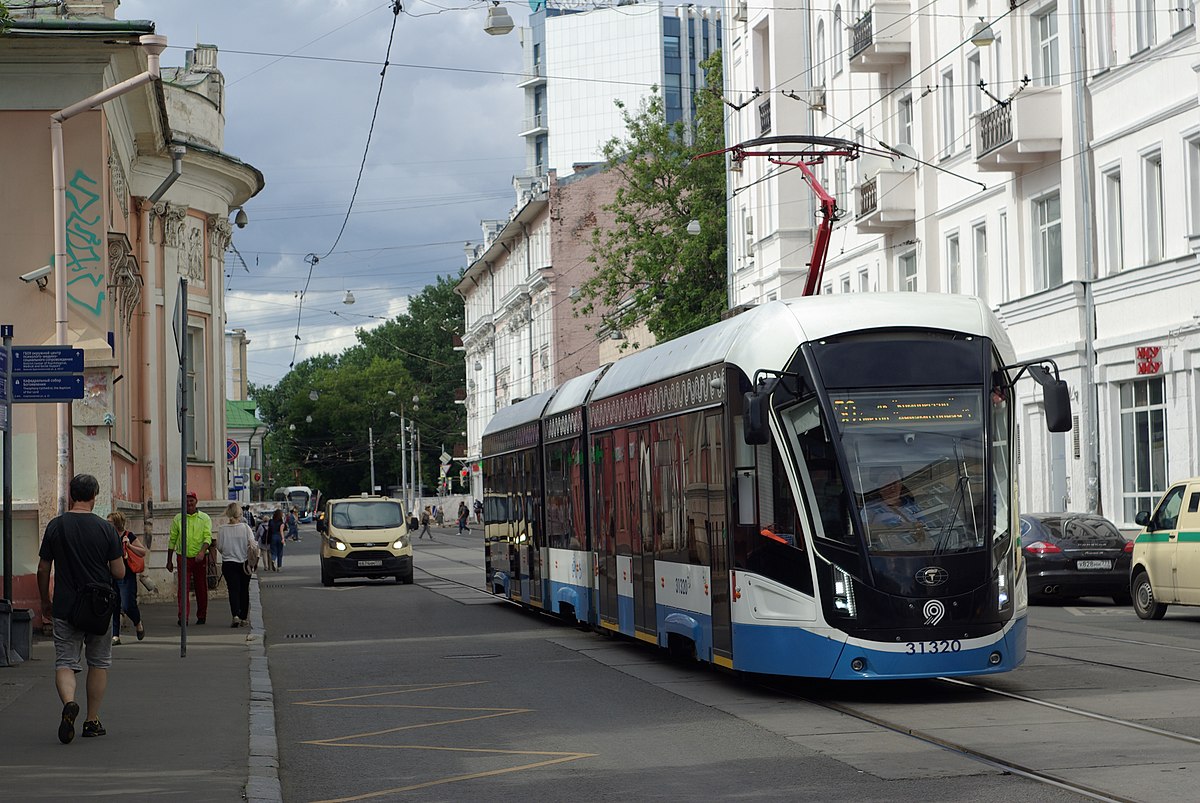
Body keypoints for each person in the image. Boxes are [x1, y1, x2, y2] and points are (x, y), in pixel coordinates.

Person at [36, 473, 125, 743]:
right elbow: (119, 572)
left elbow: (43, 567)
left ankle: (69, 703)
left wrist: (45, 600)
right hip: (98, 608)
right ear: (94, 496)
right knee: (98, 662)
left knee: (65, 662)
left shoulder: (56, 526)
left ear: (72, 495)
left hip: (65, 605)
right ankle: (91, 720)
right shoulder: (106, 529)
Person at [167, 491, 213, 626]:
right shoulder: (178, 518)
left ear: (196, 501)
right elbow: (172, 539)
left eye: (191, 500)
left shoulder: (204, 518)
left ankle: (202, 615)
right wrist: (169, 560)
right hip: (183, 557)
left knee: (201, 587)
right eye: (186, 501)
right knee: (183, 588)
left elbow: (207, 537)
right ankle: (183, 617)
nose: (189, 503)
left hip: (199, 558)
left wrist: (202, 552)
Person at [862, 466, 929, 549]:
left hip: (920, 552)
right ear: (880, 487)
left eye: (895, 483)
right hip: (886, 555)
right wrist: (900, 527)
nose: (893, 488)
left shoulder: (911, 504)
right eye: (887, 484)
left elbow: (926, 526)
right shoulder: (870, 508)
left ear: (900, 484)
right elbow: (863, 532)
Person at [107, 511, 146, 645]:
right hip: (111, 574)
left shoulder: (128, 536)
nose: (107, 525)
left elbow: (142, 551)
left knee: (127, 605)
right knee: (114, 605)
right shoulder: (107, 536)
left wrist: (129, 545)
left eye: (110, 522)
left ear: (116, 523)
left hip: (127, 575)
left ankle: (137, 622)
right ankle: (115, 635)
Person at [216, 503, 256, 628]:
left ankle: (235, 615)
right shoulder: (245, 528)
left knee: (233, 590)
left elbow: (220, 547)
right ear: (240, 513)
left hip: (228, 563)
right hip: (244, 563)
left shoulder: (222, 529)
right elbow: (252, 545)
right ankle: (244, 617)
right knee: (244, 590)